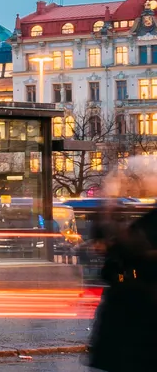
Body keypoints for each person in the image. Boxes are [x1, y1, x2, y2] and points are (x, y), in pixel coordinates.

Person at [88, 154, 157, 372]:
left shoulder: (146, 226)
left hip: (137, 326)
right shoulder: (146, 222)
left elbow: (125, 259)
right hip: (133, 327)